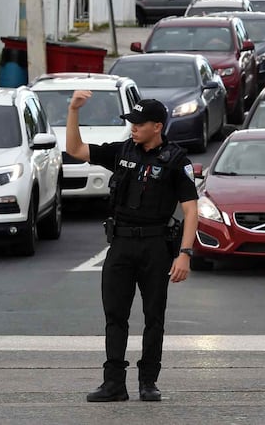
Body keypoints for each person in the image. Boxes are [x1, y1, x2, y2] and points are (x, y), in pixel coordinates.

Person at [66, 95, 198, 403]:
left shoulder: (177, 160)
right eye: (131, 123)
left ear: (157, 127)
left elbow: (191, 211)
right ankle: (113, 383)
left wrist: (185, 254)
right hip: (121, 244)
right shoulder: (122, 150)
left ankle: (148, 381)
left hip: (155, 246)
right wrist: (73, 111)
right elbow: (75, 149)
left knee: (154, 316)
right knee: (115, 315)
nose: (133, 128)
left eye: (139, 124)